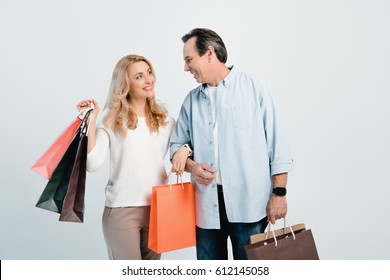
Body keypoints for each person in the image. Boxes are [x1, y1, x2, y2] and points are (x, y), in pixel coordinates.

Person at [170, 28, 294, 260]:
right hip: (206, 207)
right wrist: (192, 166)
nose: (186, 68)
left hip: (249, 205)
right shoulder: (191, 101)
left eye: (189, 60)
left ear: (209, 53)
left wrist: (279, 193)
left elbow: (278, 146)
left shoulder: (255, 88)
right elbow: (176, 146)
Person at [77, 55, 188, 260]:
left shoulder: (166, 121)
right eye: (139, 76)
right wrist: (91, 122)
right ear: (125, 84)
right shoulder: (111, 120)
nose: (149, 79)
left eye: (149, 72)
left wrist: (185, 149)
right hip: (121, 210)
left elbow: (184, 147)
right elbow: (92, 163)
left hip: (158, 209)